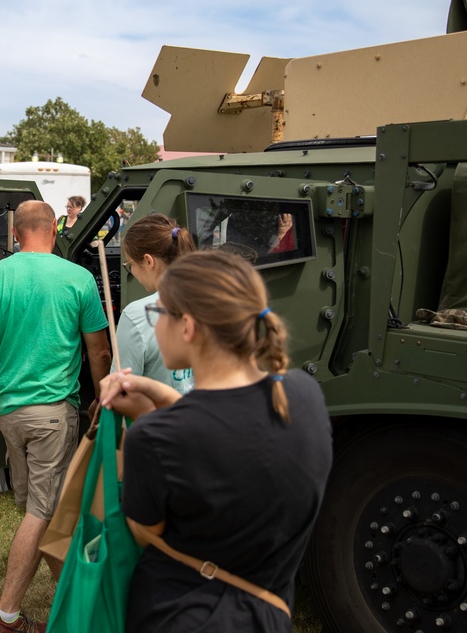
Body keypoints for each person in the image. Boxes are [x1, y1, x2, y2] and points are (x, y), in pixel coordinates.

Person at [98, 250, 333, 632]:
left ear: (187, 326)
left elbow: (144, 532)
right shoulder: (303, 395)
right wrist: (165, 400)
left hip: (181, 615)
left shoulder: (156, 437)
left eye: (159, 314)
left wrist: (148, 415)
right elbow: (228, 432)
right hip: (268, 614)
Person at [0, 200, 112, 633]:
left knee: (36, 508)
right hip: (53, 414)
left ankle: (68, 599)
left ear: (15, 234)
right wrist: (102, 397)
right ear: (54, 230)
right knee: (43, 512)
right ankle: (6, 616)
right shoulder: (78, 277)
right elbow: (99, 350)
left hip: (8, 413)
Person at [118, 213, 196, 394]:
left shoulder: (137, 314)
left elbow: (122, 390)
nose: (133, 272)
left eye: (130, 264)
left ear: (148, 261)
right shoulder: (217, 300)